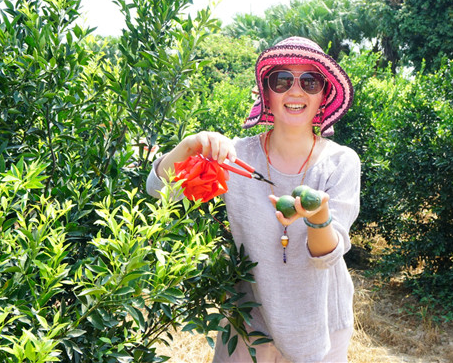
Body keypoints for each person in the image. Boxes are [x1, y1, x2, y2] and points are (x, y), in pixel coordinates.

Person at [147, 36, 360, 362]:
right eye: (282, 80)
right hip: (248, 323)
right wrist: (188, 147)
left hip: (318, 325)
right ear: (267, 94)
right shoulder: (235, 158)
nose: (296, 91)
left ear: (323, 95)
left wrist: (318, 216)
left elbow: (326, 258)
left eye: (310, 81)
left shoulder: (340, 163)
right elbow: (160, 190)